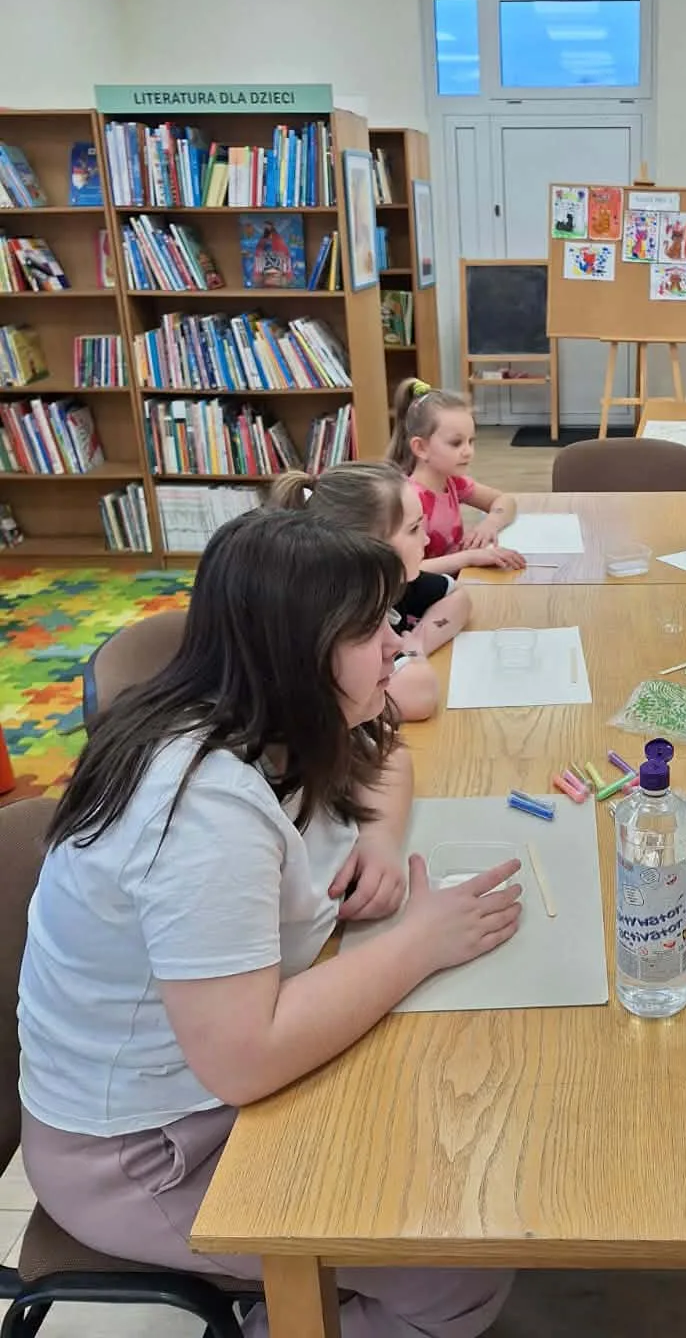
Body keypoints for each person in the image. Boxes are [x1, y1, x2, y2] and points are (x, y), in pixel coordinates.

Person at [18, 509, 519, 1337]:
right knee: (455, 1259)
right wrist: (419, 944)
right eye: (369, 631)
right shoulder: (198, 809)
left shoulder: (270, 708)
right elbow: (245, 1058)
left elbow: (389, 752)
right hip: (142, 1154)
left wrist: (380, 842)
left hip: (204, 1078)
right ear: (300, 650)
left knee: (444, 1125)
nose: (396, 645)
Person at [269, 460, 471, 722]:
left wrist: (419, 639)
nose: (426, 539)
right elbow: (419, 695)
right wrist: (413, 654)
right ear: (366, 545)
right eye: (413, 529)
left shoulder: (391, 584)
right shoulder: (339, 616)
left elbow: (458, 598)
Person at [388, 380, 525, 574]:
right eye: (456, 443)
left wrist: (490, 524)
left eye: (471, 441)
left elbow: (505, 500)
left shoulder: (453, 482)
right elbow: (405, 571)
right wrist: (468, 558)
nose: (468, 451)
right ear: (421, 448)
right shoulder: (409, 499)